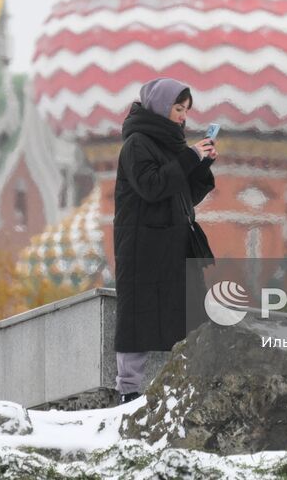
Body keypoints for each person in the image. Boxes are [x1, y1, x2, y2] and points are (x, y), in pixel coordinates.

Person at [113, 77, 217, 403]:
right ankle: (128, 391)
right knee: (138, 317)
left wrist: (202, 164)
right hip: (143, 247)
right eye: (177, 108)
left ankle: (188, 384)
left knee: (187, 314)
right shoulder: (137, 144)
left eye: (186, 110)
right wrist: (189, 158)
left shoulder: (171, 145)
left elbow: (186, 195)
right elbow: (152, 186)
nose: (183, 116)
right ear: (160, 107)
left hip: (174, 245)